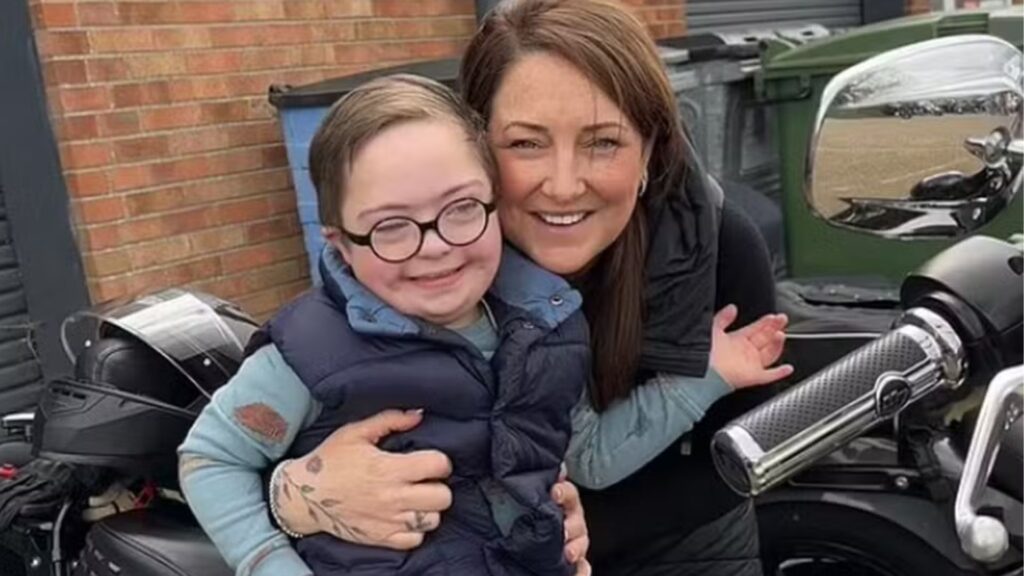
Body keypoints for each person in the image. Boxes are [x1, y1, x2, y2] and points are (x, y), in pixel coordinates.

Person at [272, 1, 790, 575]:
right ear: (475, 146)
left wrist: (565, 534)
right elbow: (281, 385)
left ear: (648, 150)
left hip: (680, 542)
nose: (563, 185)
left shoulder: (716, 244)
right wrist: (292, 494)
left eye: (603, 142)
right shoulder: (431, 251)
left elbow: (743, 451)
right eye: (526, 144)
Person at [178, 74, 592, 576]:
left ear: (495, 203)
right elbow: (211, 459)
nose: (435, 246)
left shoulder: (546, 326)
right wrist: (267, 562)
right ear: (341, 245)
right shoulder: (309, 353)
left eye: (462, 208)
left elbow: (558, 450)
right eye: (390, 226)